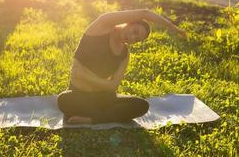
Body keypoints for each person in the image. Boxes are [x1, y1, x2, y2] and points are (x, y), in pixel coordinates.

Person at [57, 9, 187, 124]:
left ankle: (93, 119)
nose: (132, 37)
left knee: (141, 105)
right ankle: (103, 116)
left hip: (103, 98)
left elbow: (113, 86)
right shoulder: (101, 26)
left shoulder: (124, 54)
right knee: (63, 100)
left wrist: (85, 76)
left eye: (137, 39)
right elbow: (144, 13)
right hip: (78, 95)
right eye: (135, 31)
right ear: (129, 22)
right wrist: (172, 27)